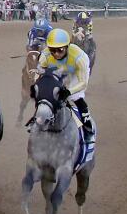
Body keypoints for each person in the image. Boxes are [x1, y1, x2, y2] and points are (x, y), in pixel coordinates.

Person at [39, 28, 96, 165]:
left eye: (60, 50)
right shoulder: (45, 55)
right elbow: (40, 75)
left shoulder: (80, 57)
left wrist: (69, 92)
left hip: (75, 78)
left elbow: (83, 83)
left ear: (67, 46)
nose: (56, 53)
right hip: (58, 76)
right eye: (53, 50)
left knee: (78, 101)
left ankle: (88, 131)